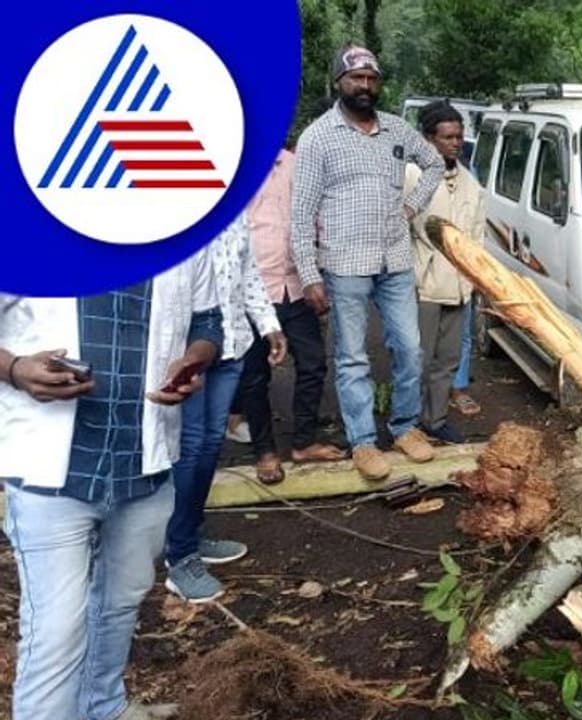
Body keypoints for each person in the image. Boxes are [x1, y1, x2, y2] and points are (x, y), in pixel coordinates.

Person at [0, 253, 223, 720]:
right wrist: (15, 367)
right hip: (52, 468)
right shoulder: (32, 218)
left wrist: (194, 359)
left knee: (120, 603)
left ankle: (104, 707)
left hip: (144, 460)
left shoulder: (185, 225)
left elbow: (208, 320)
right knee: (56, 631)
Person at [290, 44, 446, 481]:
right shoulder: (318, 137)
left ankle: (404, 427)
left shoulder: (397, 130)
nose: (364, 86)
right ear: (339, 82)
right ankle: (362, 441)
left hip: (394, 258)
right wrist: (308, 274)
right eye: (356, 78)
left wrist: (411, 207)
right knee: (353, 358)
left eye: (371, 79)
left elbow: (434, 163)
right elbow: (301, 212)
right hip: (343, 264)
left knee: (410, 349)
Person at [164, 214, 286, 603]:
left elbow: (248, 274)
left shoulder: (233, 216)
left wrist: (269, 326)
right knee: (190, 447)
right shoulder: (168, 217)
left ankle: (191, 534)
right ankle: (179, 556)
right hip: (186, 352)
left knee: (210, 443)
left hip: (232, 344)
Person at [236, 147, 347, 484]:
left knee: (313, 363)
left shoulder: (296, 163)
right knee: (255, 376)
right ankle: (265, 452)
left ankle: (303, 442)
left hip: (296, 284)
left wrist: (319, 273)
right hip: (253, 287)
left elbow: (315, 216)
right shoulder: (235, 166)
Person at [407, 102, 487, 443]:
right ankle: (406, 425)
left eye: (459, 136)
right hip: (422, 285)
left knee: (448, 360)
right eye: (448, 137)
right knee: (415, 361)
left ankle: (434, 419)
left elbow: (477, 238)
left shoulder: (470, 184)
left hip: (459, 286)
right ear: (429, 139)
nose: (456, 143)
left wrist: (476, 281)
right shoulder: (411, 175)